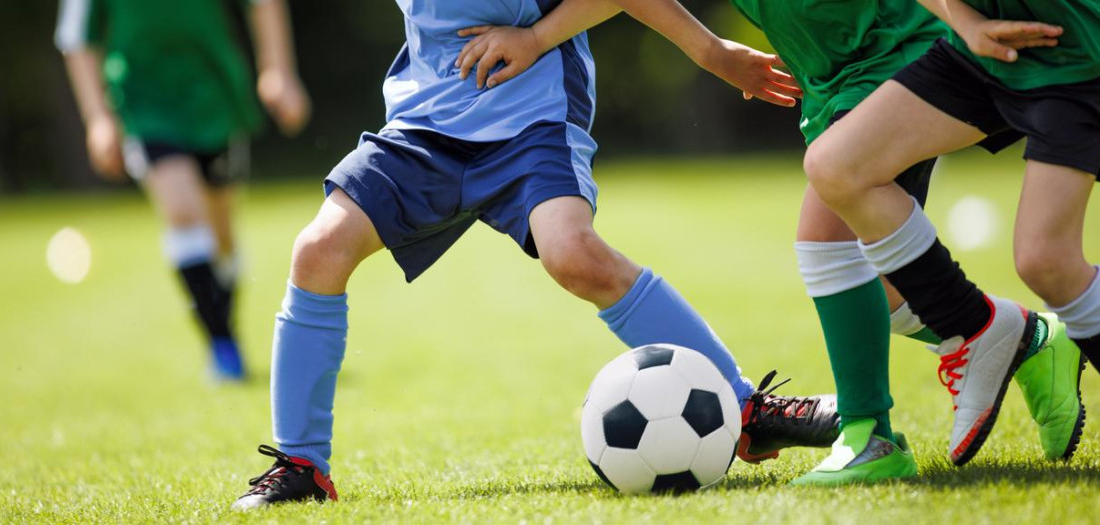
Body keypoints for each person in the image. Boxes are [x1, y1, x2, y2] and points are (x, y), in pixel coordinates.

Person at [449, 0, 1085, 485]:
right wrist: (710, 53)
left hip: (902, 52)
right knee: (884, 294)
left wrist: (963, 19)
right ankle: (1020, 336)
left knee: (824, 239)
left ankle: (871, 437)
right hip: (831, 75)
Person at [231, 0, 837, 509]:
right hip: (423, 128)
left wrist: (707, 52)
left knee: (575, 255)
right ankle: (302, 467)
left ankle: (746, 408)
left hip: (533, 119)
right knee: (318, 250)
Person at [803, 0, 1100, 467]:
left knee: (1047, 262)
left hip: (1073, 51)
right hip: (975, 51)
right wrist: (965, 21)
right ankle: (977, 327)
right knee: (837, 165)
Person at [55, 0, 310, 381]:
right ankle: (222, 346)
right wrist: (97, 118)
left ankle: (223, 328)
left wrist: (278, 70)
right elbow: (77, 38)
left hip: (215, 95)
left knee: (221, 233)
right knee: (183, 212)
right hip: (143, 104)